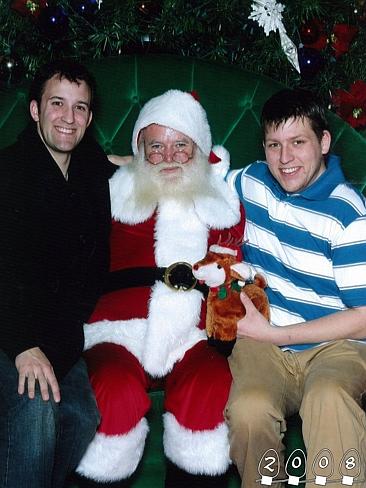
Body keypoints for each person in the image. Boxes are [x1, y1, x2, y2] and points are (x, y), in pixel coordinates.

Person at [75, 89, 247, 488]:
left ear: (200, 149)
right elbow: (61, 159)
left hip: (193, 333)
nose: (169, 157)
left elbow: (237, 264)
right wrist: (122, 164)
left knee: (211, 385)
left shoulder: (222, 202)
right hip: (118, 330)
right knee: (111, 390)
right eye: (156, 147)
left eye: (181, 146)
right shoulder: (111, 192)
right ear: (139, 151)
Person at [224, 88, 366, 488]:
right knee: (250, 411)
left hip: (336, 343)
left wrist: (280, 334)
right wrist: (116, 163)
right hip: (264, 339)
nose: (285, 159)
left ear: (323, 143)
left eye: (298, 143)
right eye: (274, 145)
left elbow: (364, 319)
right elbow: (188, 169)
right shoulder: (252, 181)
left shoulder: (349, 215)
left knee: (329, 398)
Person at [0, 59, 117, 488]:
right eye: (57, 104)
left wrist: (146, 163)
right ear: (34, 110)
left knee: (82, 415)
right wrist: (22, 346)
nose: (68, 118)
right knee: (35, 409)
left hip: (59, 335)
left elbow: (106, 163)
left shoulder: (87, 169)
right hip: (10, 330)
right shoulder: (9, 172)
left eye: (80, 108)